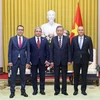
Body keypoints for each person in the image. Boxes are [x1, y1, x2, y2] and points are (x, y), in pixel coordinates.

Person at [8, 25, 30, 98]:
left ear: (23, 31)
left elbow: (28, 52)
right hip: (14, 61)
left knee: (23, 77)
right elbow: (10, 51)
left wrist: (27, 62)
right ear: (17, 30)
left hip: (23, 61)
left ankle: (23, 91)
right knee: (13, 77)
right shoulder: (12, 39)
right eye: (19, 29)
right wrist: (9, 61)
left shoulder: (26, 40)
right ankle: (12, 92)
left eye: (22, 30)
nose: (20, 31)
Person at [71, 26, 93, 96]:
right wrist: (71, 59)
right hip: (76, 60)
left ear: (84, 31)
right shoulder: (74, 39)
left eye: (82, 30)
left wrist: (90, 59)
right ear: (77, 31)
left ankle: (83, 90)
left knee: (84, 75)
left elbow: (91, 50)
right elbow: (72, 50)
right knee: (76, 76)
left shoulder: (88, 39)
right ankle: (75, 90)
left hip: (85, 60)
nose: (80, 31)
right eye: (79, 30)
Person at [50, 26, 71, 95]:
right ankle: (57, 90)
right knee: (56, 76)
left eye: (60, 30)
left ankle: (64, 90)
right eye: (58, 31)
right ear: (56, 31)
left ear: (63, 31)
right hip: (56, 61)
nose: (59, 32)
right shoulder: (53, 39)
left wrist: (69, 60)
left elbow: (69, 50)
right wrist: (51, 61)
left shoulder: (67, 39)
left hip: (64, 60)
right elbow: (51, 51)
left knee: (64, 76)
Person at [29, 27, 49, 95]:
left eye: (39, 31)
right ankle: (35, 90)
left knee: (42, 76)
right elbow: (28, 52)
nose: (38, 32)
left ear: (41, 32)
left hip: (42, 61)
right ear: (34, 32)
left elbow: (47, 51)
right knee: (34, 77)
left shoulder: (45, 40)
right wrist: (29, 60)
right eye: (37, 31)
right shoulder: (30, 40)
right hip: (33, 61)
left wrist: (47, 60)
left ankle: (42, 90)